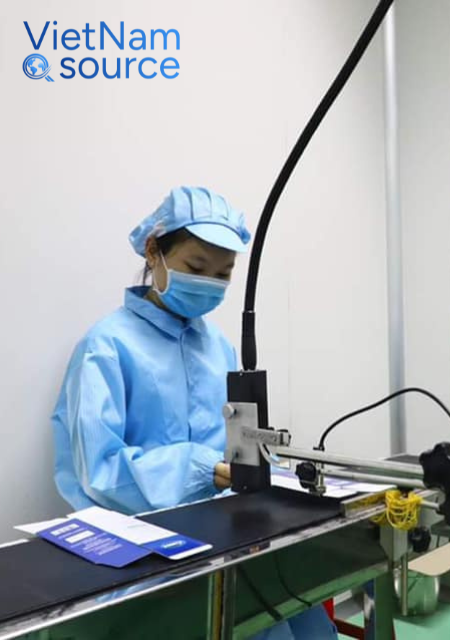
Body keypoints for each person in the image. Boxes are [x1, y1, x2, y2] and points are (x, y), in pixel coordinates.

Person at [51, 186, 337, 640]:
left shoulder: (217, 346)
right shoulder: (105, 347)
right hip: (147, 551)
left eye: (223, 274)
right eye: (197, 268)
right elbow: (99, 472)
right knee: (266, 626)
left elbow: (239, 445)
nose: (209, 283)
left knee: (308, 611)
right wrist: (201, 469)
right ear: (154, 252)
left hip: (229, 536)